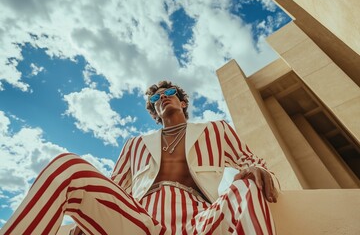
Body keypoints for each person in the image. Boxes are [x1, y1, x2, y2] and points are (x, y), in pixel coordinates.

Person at [1, 81, 278, 235]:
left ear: (182, 102)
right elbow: (115, 186)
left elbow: (251, 163)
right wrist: (84, 223)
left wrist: (259, 173)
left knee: (248, 182)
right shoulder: (135, 144)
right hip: (141, 221)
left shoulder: (215, 130)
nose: (164, 98)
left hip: (201, 221)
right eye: (158, 98)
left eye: (170, 93)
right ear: (156, 112)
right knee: (68, 166)